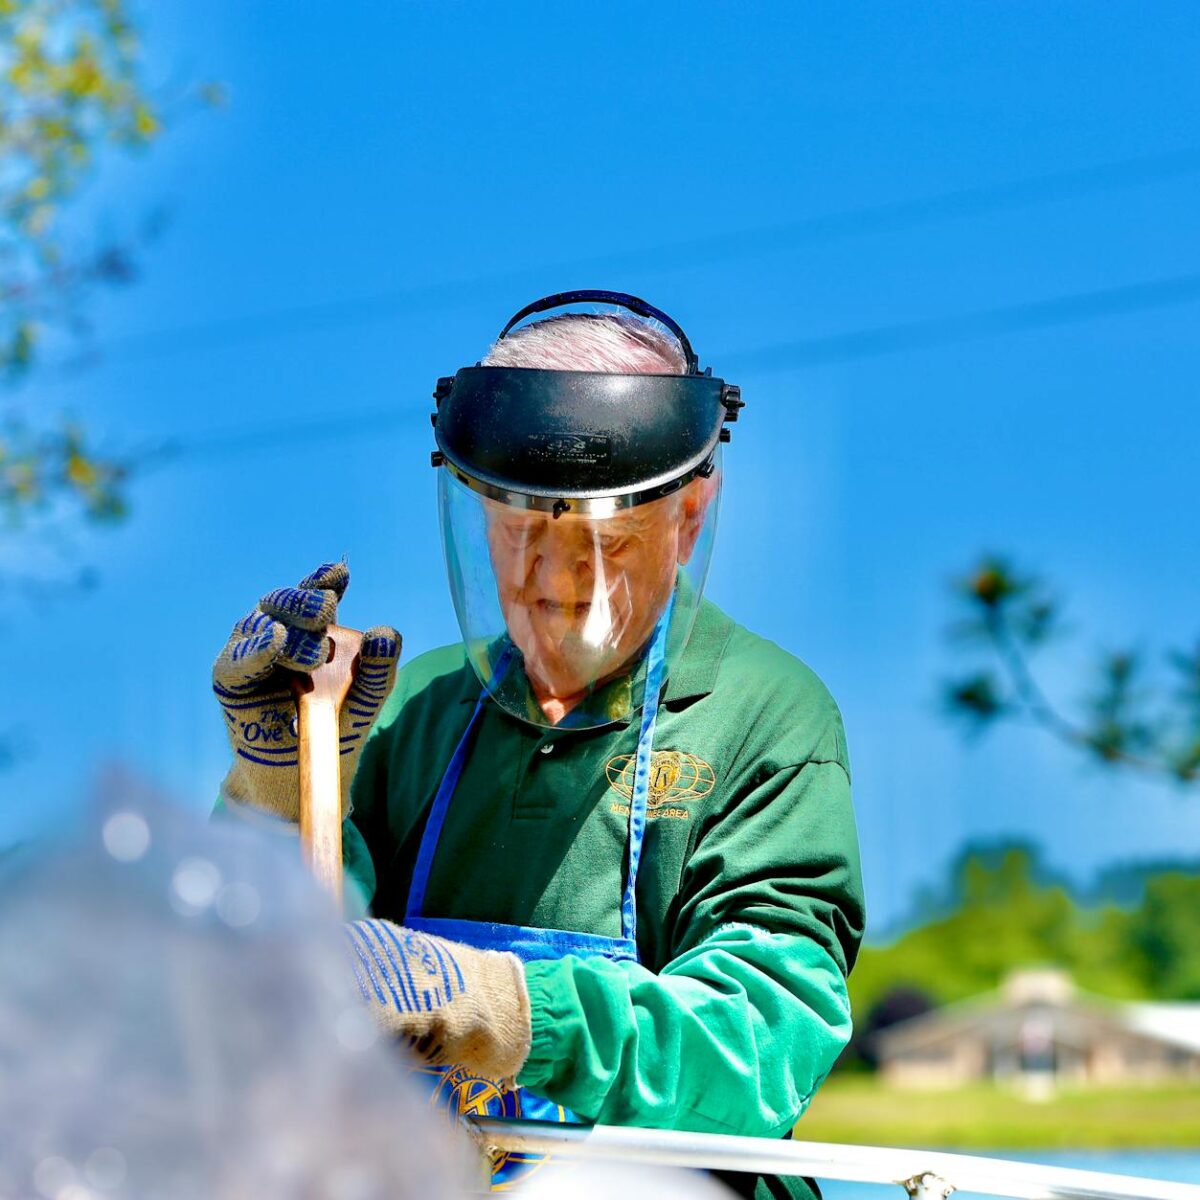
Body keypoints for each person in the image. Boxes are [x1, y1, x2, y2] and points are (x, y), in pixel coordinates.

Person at [212, 291, 865, 1198]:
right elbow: (250, 989)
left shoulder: (764, 713)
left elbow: (758, 1048)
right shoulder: (409, 703)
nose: (554, 584)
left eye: (608, 544)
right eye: (517, 532)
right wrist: (280, 784)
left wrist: (505, 1011)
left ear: (691, 514)